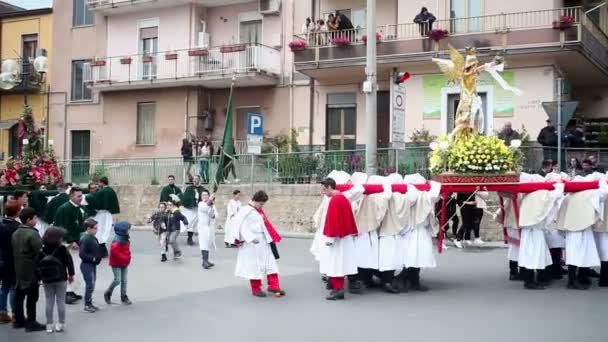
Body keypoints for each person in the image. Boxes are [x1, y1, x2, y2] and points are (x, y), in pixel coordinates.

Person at [233, 190, 285, 297]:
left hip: (264, 240)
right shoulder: (245, 210)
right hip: (252, 243)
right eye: (261, 204)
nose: (262, 206)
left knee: (271, 263)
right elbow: (240, 226)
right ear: (255, 201)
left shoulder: (257, 210)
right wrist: (250, 238)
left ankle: (274, 286)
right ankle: (256, 289)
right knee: (254, 266)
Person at [318, 178, 359, 300]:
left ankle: (338, 290)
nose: (323, 192)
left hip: (337, 239)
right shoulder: (343, 198)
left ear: (330, 187)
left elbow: (333, 221)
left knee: (335, 264)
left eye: (324, 189)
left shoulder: (335, 200)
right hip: (344, 237)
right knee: (340, 264)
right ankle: (337, 288)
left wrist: (330, 239)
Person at [399, 175, 440, 292]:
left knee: (418, 257)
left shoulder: (421, 195)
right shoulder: (415, 196)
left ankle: (414, 280)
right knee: (409, 257)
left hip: (419, 230)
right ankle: (403, 279)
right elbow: (435, 190)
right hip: (412, 230)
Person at [11, 207, 44, 332]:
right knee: (32, 297)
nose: (36, 220)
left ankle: (19, 320)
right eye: (35, 218)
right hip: (31, 268)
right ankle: (31, 322)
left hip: (18, 267)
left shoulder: (16, 232)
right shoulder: (32, 233)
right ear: (29, 219)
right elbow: (39, 251)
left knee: (19, 295)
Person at [38, 227, 74, 333]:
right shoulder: (62, 249)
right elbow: (69, 262)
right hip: (61, 278)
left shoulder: (42, 250)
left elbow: (37, 265)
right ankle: (61, 323)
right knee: (61, 301)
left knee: (49, 301)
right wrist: (71, 275)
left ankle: (49, 324)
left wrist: (39, 278)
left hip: (47, 279)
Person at [86, 177, 120, 259]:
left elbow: (94, 200)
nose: (98, 185)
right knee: (104, 231)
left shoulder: (103, 191)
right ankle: (103, 251)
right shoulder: (111, 190)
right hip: (108, 213)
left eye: (99, 183)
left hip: (102, 214)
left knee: (99, 231)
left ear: (102, 182)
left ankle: (101, 251)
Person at [0, 200, 21, 324]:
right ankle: (15, 313)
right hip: (13, 260)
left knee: (4, 287)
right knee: (14, 287)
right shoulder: (17, 228)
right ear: (17, 212)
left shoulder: (1, 225)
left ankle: (2, 312)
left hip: (1, 259)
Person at [104, 222, 132, 305]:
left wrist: (127, 257)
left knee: (124, 280)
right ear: (123, 231)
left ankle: (124, 296)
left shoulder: (125, 238)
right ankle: (108, 292)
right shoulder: (117, 241)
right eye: (128, 230)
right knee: (117, 280)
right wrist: (126, 257)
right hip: (116, 263)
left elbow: (127, 250)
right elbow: (114, 252)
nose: (129, 231)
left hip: (124, 263)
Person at [79, 218, 101, 312]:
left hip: (92, 265)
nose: (97, 230)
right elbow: (82, 254)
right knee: (90, 284)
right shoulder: (85, 238)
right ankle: (87, 305)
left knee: (92, 284)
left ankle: (90, 303)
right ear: (88, 228)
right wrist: (93, 258)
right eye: (95, 228)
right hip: (87, 265)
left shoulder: (92, 237)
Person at [180, 175, 208, 246]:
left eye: (196, 179)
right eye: (193, 179)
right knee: (190, 224)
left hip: (198, 209)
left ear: (199, 180)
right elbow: (185, 198)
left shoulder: (203, 189)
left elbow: (206, 198)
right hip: (190, 209)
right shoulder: (189, 188)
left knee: (196, 225)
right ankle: (189, 238)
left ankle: (200, 238)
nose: (194, 180)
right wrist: (189, 202)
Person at [197, 191, 218, 269]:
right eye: (203, 195)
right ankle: (204, 261)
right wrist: (210, 200)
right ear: (201, 196)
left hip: (210, 227)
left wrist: (213, 215)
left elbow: (215, 215)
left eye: (206, 195)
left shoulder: (212, 205)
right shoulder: (201, 204)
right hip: (203, 227)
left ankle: (206, 261)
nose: (204, 196)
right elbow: (205, 208)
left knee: (208, 244)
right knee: (203, 244)